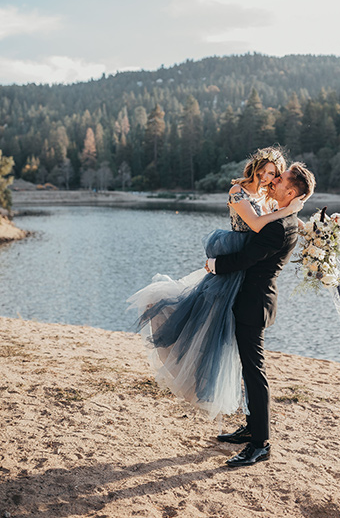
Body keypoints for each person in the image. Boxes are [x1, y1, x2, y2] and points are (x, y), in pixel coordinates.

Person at [127, 147, 304, 422]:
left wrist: (309, 227)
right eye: (266, 171)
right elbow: (258, 225)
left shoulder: (267, 197)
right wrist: (290, 210)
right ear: (256, 167)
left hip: (248, 269)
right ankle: (241, 416)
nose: (269, 178)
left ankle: (253, 424)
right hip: (235, 261)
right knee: (207, 325)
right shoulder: (238, 192)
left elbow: (281, 223)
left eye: (274, 174)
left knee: (240, 352)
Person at [207, 161, 316, 467]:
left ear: (290, 191)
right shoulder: (284, 218)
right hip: (254, 300)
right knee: (249, 369)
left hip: (254, 304)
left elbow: (245, 258)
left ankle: (260, 443)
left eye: (280, 179)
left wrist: (215, 266)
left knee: (255, 372)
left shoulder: (280, 227)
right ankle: (252, 428)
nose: (275, 180)